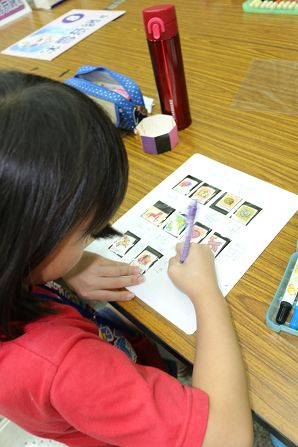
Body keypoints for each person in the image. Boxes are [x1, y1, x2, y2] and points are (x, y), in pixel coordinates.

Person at [0, 70, 253, 447]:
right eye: (86, 232)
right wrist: (206, 295)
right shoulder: (63, 367)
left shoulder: (20, 268)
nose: (93, 239)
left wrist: (56, 272)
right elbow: (228, 438)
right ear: (31, 237)